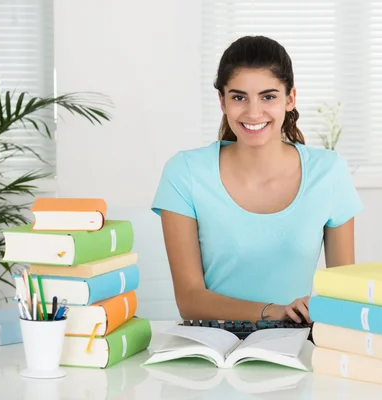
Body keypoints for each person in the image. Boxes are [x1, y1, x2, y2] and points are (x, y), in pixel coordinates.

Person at [151, 35, 362, 324]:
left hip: (294, 342)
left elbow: (344, 292)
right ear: (222, 101)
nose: (253, 112)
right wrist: (272, 312)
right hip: (211, 346)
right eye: (239, 97)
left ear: (290, 99)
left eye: (268, 96)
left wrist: (312, 310)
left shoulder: (329, 172)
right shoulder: (185, 172)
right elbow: (189, 300)